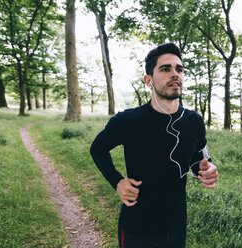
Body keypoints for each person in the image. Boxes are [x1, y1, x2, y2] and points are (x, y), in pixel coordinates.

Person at [90, 42, 219, 248]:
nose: (175, 74)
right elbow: (97, 149)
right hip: (136, 226)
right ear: (148, 80)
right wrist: (117, 182)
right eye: (165, 69)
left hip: (175, 224)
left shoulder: (194, 121)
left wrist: (206, 169)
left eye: (179, 69)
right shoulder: (128, 121)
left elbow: (200, 158)